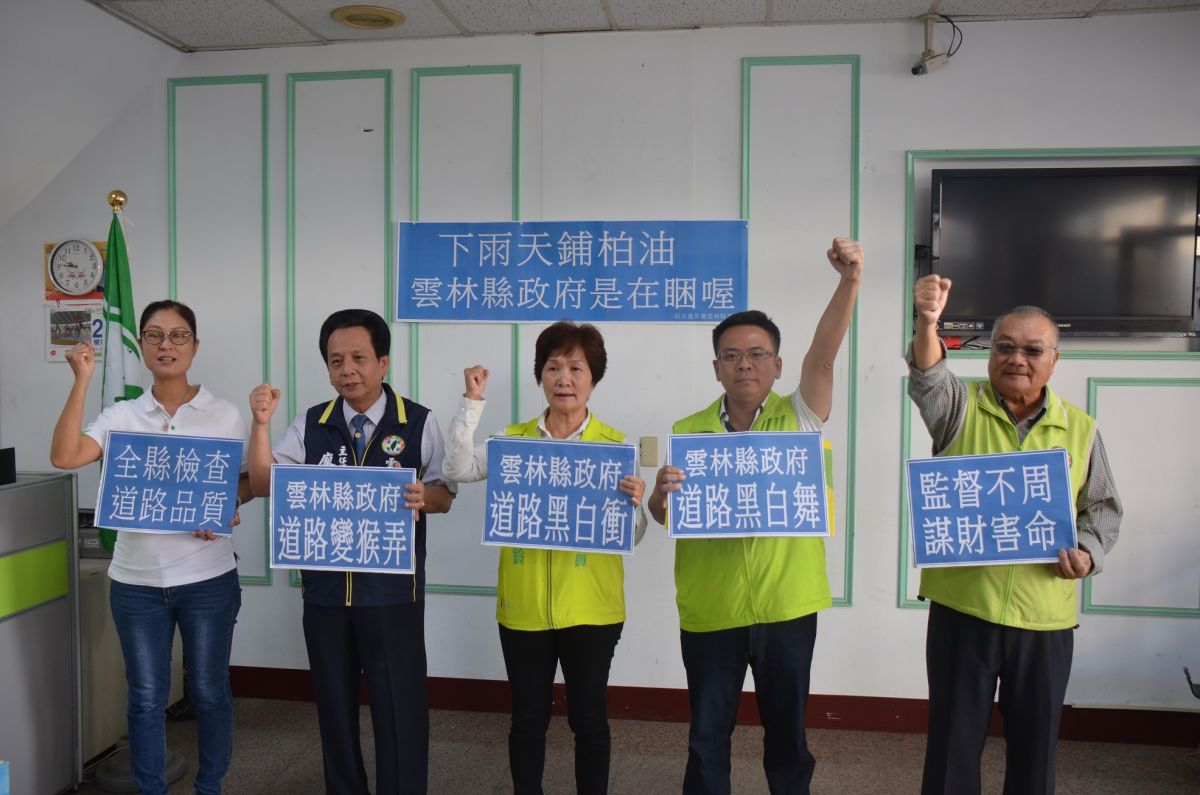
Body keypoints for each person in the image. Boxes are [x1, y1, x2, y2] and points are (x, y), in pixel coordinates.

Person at [648, 238, 864, 794]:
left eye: (757, 354)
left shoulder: (800, 418)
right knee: (706, 736)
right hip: (711, 607)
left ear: (776, 365)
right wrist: (660, 495)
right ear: (717, 367)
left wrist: (849, 282)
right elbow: (665, 514)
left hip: (786, 606)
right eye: (732, 355)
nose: (745, 364)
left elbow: (824, 353)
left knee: (787, 735)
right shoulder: (689, 432)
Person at [908, 274, 1122, 794]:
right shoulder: (958, 409)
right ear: (989, 353)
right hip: (965, 611)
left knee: (1034, 752)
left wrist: (1088, 556)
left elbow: (1103, 510)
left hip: (1044, 618)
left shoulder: (1081, 428)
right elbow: (927, 375)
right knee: (952, 750)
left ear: (1054, 359)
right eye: (1005, 347)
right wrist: (928, 322)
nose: (1017, 359)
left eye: (1032, 349)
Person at [247, 308, 454, 795]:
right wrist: (260, 424)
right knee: (333, 707)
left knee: (399, 705)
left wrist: (426, 496)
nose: (348, 370)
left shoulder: (418, 421)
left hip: (392, 594)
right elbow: (261, 483)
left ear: (383, 362)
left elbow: (445, 493)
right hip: (324, 594)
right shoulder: (310, 423)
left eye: (359, 358)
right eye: (336, 360)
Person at [50, 299, 251, 795]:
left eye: (179, 335)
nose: (167, 345)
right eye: (156, 335)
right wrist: (80, 380)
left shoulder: (223, 414)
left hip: (207, 579)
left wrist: (227, 507)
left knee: (207, 691)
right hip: (136, 583)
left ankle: (210, 787)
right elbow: (65, 456)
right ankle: (150, 789)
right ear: (141, 345)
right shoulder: (122, 414)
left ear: (195, 346)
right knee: (144, 697)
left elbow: (241, 485)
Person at [443, 321, 647, 795]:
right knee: (528, 719)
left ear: (593, 378)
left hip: (592, 612)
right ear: (540, 376)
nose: (564, 378)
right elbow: (456, 468)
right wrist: (471, 402)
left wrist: (634, 506)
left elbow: (632, 536)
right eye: (553, 367)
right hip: (524, 610)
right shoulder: (514, 442)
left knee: (589, 719)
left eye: (577, 368)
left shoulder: (614, 448)